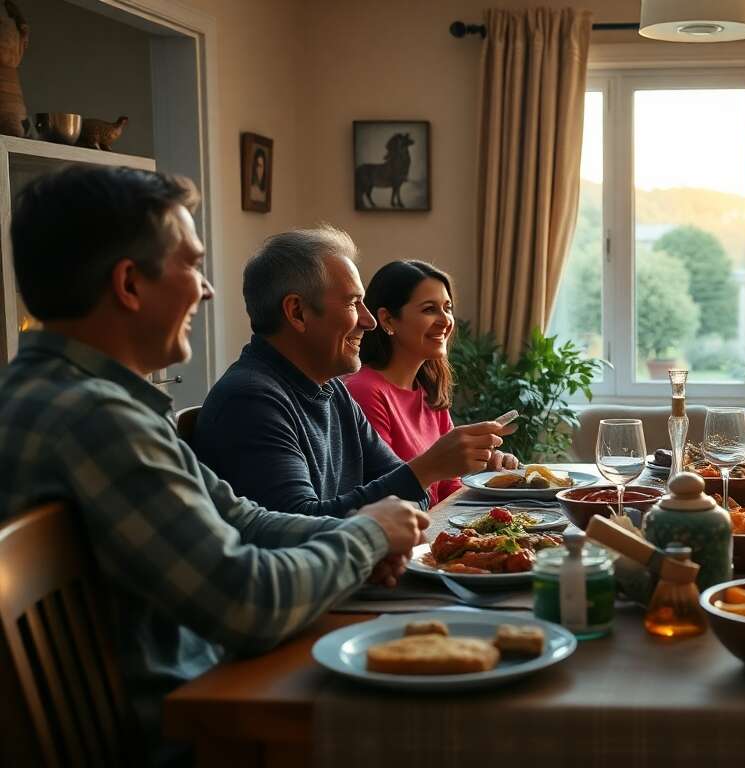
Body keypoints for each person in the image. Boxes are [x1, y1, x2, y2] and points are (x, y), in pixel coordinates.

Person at [0, 165, 429, 762]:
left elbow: (241, 516)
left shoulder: (76, 395)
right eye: (192, 265)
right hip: (189, 737)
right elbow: (248, 602)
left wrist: (361, 533)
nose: (206, 290)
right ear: (129, 284)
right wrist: (365, 536)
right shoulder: (95, 419)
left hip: (205, 703)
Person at [193, 226, 512, 517]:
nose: (369, 321)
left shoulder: (331, 390)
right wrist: (425, 470)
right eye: (352, 303)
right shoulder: (250, 401)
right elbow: (298, 527)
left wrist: (419, 478)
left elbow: (415, 496)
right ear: (297, 312)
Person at [345, 260, 514, 506]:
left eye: (447, 308)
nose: (445, 320)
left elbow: (448, 490)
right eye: (429, 309)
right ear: (388, 320)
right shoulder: (364, 391)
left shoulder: (428, 392)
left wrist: (486, 474)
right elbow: (385, 497)